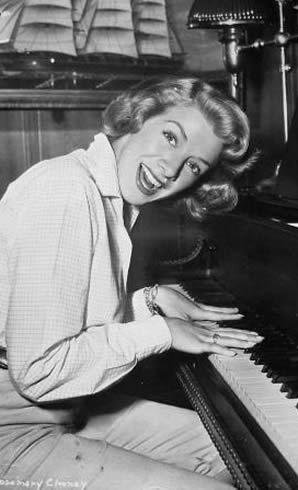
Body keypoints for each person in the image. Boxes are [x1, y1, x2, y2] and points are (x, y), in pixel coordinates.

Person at [0, 77, 261, 489]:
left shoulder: (105, 194)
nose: (171, 170)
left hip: (66, 408)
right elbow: (38, 369)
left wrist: (149, 302)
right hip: (13, 426)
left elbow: (66, 318)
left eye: (194, 166)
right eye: (171, 137)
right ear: (138, 117)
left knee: (244, 454)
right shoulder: (66, 190)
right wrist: (161, 332)